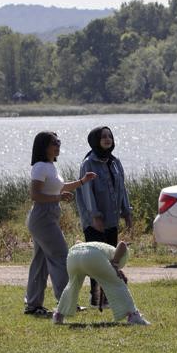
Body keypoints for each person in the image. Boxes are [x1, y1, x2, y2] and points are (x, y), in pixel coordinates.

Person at [24, 131, 96, 317]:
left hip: (48, 216)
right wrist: (58, 198)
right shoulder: (40, 167)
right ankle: (66, 303)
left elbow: (60, 187)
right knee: (61, 257)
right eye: (54, 143)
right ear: (43, 147)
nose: (58, 146)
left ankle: (33, 305)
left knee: (40, 263)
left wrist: (82, 181)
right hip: (43, 216)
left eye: (58, 142)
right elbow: (35, 195)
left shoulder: (50, 166)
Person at [77, 125, 134, 310]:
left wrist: (127, 211)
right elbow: (87, 192)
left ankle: (107, 297)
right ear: (95, 140)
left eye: (109, 136)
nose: (107, 139)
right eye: (103, 137)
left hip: (112, 219)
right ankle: (95, 299)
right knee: (96, 261)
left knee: (111, 260)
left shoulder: (115, 162)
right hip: (95, 221)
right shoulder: (88, 163)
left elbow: (122, 189)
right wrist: (95, 216)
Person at [52, 240, 149, 326]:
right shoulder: (118, 252)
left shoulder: (102, 248)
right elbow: (123, 244)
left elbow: (78, 242)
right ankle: (133, 315)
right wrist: (115, 265)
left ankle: (58, 315)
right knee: (118, 283)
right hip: (91, 255)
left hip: (73, 254)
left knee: (72, 286)